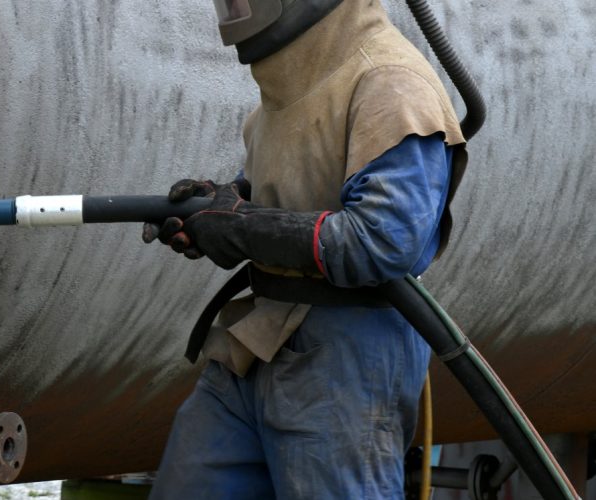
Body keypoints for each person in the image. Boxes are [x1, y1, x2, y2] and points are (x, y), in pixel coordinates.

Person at [142, 0, 468, 498]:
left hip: (346, 361)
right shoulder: (283, 94)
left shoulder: (390, 82)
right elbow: (285, 195)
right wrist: (217, 211)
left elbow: (384, 239)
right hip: (257, 343)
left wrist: (243, 227)